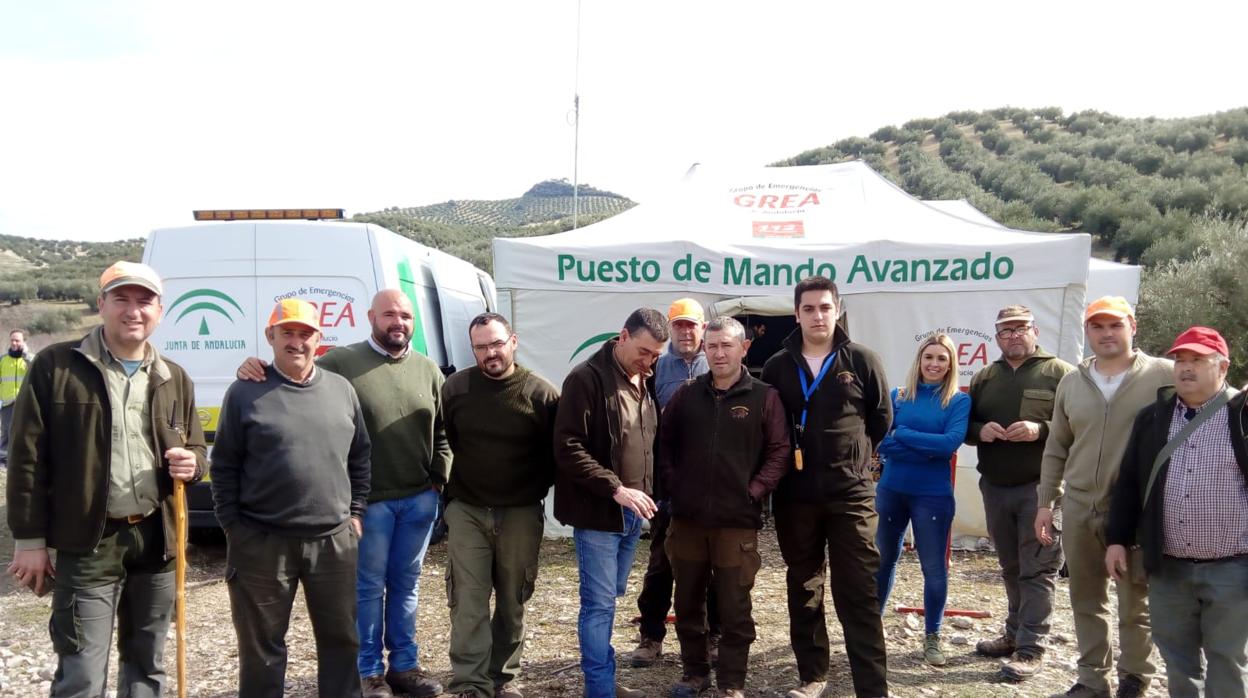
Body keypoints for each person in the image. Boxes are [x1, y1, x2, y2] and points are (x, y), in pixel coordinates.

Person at [5, 261, 208, 696]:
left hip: (158, 539)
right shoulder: (56, 368)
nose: (133, 311)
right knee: (81, 670)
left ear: (159, 311)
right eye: (122, 299)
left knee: (147, 665)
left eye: (144, 301)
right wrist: (30, 541)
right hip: (88, 541)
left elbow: (197, 448)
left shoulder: (175, 377)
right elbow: (26, 458)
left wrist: (193, 464)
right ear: (102, 305)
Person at [236, 289, 450, 697]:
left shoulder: (428, 369)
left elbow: (443, 431)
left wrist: (439, 479)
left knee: (407, 584)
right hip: (370, 504)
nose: (398, 322)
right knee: (368, 588)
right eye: (389, 314)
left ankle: (404, 666)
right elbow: (295, 369)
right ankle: (368, 672)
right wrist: (255, 367)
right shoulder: (341, 362)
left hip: (420, 500)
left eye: (405, 315)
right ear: (371, 317)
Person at [212, 298, 372, 698]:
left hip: (333, 541)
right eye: (288, 333)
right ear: (271, 336)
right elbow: (225, 465)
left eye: (305, 334)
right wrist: (234, 527)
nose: (296, 342)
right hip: (262, 542)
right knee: (262, 648)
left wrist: (355, 513)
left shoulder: (341, 390)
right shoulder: (245, 392)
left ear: (319, 339)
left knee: (341, 641)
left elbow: (361, 455)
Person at [1033, 297, 1172, 698]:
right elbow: (1058, 445)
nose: (1107, 333)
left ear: (1133, 326)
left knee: (1134, 601)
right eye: (1098, 326)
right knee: (1085, 598)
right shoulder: (1072, 381)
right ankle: (1093, 680)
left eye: (1115, 325)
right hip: (1078, 504)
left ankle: (1134, 678)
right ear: (1087, 331)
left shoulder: (1163, 374)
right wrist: (1047, 501)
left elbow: (1216, 395)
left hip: (1134, 509)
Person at [760, 276, 891, 698]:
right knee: (804, 586)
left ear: (838, 310)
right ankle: (812, 676)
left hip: (850, 494)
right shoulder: (779, 365)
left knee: (857, 590)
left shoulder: (862, 360)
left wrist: (853, 456)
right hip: (795, 496)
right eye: (809, 308)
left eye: (825, 307)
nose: (818, 315)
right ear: (797, 314)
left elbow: (881, 418)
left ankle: (872, 687)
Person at [1107, 326, 1248, 698]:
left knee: (1227, 658)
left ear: (1223, 367)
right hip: (1168, 566)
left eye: (1198, 360)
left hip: (1233, 566)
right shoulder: (1152, 418)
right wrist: (1117, 540)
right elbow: (1129, 482)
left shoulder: (1243, 415)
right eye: (1180, 360)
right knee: (1177, 659)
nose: (1186, 368)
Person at [660, 316, 788, 698]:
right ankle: (694, 672)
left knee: (734, 606)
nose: (718, 353)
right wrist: (675, 486)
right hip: (688, 519)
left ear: (743, 348)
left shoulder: (764, 397)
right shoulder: (687, 394)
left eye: (726, 346)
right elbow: (664, 445)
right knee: (687, 599)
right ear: (704, 349)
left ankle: (732, 682)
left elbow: (780, 451)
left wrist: (755, 490)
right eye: (712, 346)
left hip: (736, 521)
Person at [441, 313, 560, 698]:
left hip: (521, 511)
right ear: (472, 348)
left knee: (512, 600)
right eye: (480, 347)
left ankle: (503, 677)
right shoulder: (456, 388)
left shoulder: (541, 394)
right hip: (468, 509)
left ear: (513, 341)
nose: (489, 353)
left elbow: (556, 454)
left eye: (496, 343)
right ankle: (470, 682)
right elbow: (448, 441)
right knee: (467, 601)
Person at [553, 307, 668, 698]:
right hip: (601, 511)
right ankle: (599, 689)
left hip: (633, 512)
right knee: (599, 605)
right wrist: (616, 488)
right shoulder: (586, 379)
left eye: (655, 355)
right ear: (622, 336)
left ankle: (604, 679)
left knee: (610, 598)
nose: (649, 360)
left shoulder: (642, 379)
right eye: (643, 351)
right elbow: (567, 447)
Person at [965, 304, 1074, 681]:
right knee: (1010, 567)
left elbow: (1077, 425)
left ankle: (1031, 648)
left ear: (1035, 331)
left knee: (1039, 569)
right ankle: (1013, 635)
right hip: (995, 487)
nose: (1013, 335)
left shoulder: (1060, 373)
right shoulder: (984, 377)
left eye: (1020, 328)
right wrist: (982, 431)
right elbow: (966, 426)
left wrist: (1040, 430)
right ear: (996, 337)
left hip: (1040, 489)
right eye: (1005, 330)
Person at [627, 297, 717, 669]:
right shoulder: (655, 368)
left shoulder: (716, 363)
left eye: (691, 325)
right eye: (678, 325)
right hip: (668, 481)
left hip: (711, 483)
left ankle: (713, 639)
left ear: (702, 329)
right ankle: (651, 637)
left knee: (711, 566)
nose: (685, 332)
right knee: (661, 564)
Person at [873, 333, 971, 667]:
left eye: (941, 359)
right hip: (891, 490)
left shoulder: (957, 401)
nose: (934, 364)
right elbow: (880, 441)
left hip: (932, 495)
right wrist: (919, 444)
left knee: (933, 567)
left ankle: (932, 636)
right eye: (928, 357)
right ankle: (871, 629)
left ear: (951, 364)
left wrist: (902, 435)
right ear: (919, 360)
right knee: (884, 559)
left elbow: (949, 445)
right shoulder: (898, 396)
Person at [0, 328, 32, 466]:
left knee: (25, 432)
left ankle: (22, 461)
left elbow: (35, 370)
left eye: (17, 340)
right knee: (6, 432)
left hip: (26, 404)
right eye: (12, 340)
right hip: (7, 403)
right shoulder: (2, 360)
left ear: (24, 342)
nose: (14, 343)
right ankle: (3, 461)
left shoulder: (31, 359)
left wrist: (25, 354)